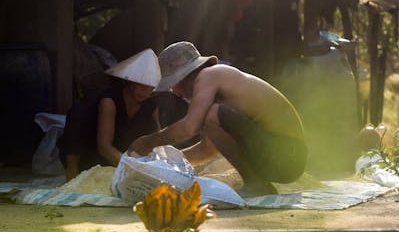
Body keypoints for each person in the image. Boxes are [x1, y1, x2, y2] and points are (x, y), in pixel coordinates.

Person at [127, 41, 307, 196]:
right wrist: (165, 163)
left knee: (211, 115)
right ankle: (257, 182)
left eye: (174, 85)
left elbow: (190, 127)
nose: (176, 93)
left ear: (185, 76)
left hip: (288, 154)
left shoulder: (210, 75)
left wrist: (150, 141)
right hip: (288, 159)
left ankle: (256, 184)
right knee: (211, 116)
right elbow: (208, 150)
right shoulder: (218, 92)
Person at [59, 48, 188, 179]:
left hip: (123, 152)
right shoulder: (109, 101)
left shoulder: (150, 105)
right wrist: (131, 168)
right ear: (130, 82)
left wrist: (162, 164)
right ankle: (72, 171)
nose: (146, 93)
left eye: (151, 90)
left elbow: (156, 139)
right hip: (93, 152)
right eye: (142, 88)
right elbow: (104, 147)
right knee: (79, 112)